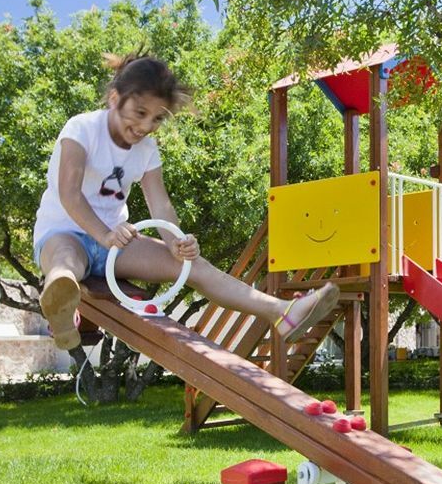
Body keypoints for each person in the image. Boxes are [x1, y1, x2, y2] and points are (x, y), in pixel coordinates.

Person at [35, 53, 339, 353]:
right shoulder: (82, 128)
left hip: (114, 246)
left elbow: (161, 205)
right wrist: (104, 234)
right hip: (63, 233)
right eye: (139, 113)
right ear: (115, 98)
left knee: (191, 265)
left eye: (156, 119)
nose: (146, 126)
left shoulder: (147, 148)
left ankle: (283, 312)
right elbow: (70, 193)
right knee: (66, 260)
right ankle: (61, 301)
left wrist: (177, 242)